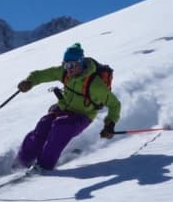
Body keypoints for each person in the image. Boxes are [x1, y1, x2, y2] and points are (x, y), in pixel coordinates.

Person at [16, 43, 121, 171]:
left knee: (61, 127)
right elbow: (41, 74)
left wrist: (109, 125)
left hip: (82, 116)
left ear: (81, 63)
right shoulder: (64, 72)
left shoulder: (95, 85)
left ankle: (44, 166)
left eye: (71, 65)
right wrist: (29, 81)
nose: (68, 69)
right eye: (65, 64)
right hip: (64, 109)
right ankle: (22, 162)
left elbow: (114, 104)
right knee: (43, 124)